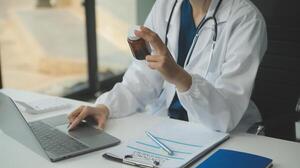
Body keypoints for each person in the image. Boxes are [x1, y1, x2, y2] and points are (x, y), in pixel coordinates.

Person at [68, 0, 267, 133]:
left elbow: (225, 116)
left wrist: (181, 78)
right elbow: (142, 77)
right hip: (166, 128)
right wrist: (106, 107)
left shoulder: (245, 19)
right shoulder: (167, 5)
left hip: (225, 138)